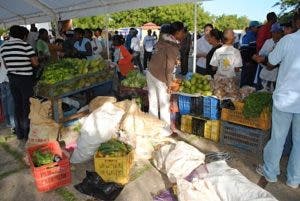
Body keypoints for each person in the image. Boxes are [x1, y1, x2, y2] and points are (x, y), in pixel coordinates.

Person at [256, 13, 300, 189]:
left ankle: (271, 172)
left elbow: (271, 62)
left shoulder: (288, 40)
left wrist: (263, 59)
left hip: (285, 99)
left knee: (278, 137)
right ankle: (294, 179)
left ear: (297, 22)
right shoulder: (288, 39)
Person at [0, 25, 39, 141]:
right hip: (25, 78)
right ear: (23, 35)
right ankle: (27, 132)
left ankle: (19, 133)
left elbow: (6, 65)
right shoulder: (25, 45)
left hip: (12, 78)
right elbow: (35, 63)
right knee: (26, 105)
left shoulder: (3, 47)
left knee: (17, 105)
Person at [147, 21, 185, 135]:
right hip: (160, 76)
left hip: (151, 72)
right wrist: (169, 84)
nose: (184, 34)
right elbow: (169, 68)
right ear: (177, 32)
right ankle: (164, 131)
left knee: (153, 102)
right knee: (164, 104)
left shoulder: (161, 41)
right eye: (183, 32)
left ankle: (151, 128)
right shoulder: (172, 46)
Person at [256, 23, 284, 92]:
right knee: (264, 90)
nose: (275, 35)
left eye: (278, 33)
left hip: (277, 74)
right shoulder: (268, 42)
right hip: (266, 70)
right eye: (273, 32)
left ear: (282, 33)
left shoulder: (284, 42)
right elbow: (260, 54)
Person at [240, 21, 261, 87]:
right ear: (252, 27)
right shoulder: (248, 36)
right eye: (257, 27)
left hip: (252, 63)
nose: (258, 29)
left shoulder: (254, 36)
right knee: (246, 81)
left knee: (250, 81)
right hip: (248, 63)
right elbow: (243, 51)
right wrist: (248, 61)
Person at [0, 57, 15, 133]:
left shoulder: (2, 48)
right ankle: (13, 125)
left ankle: (8, 122)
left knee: (5, 101)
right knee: (10, 102)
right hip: (8, 78)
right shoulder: (3, 49)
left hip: (1, 79)